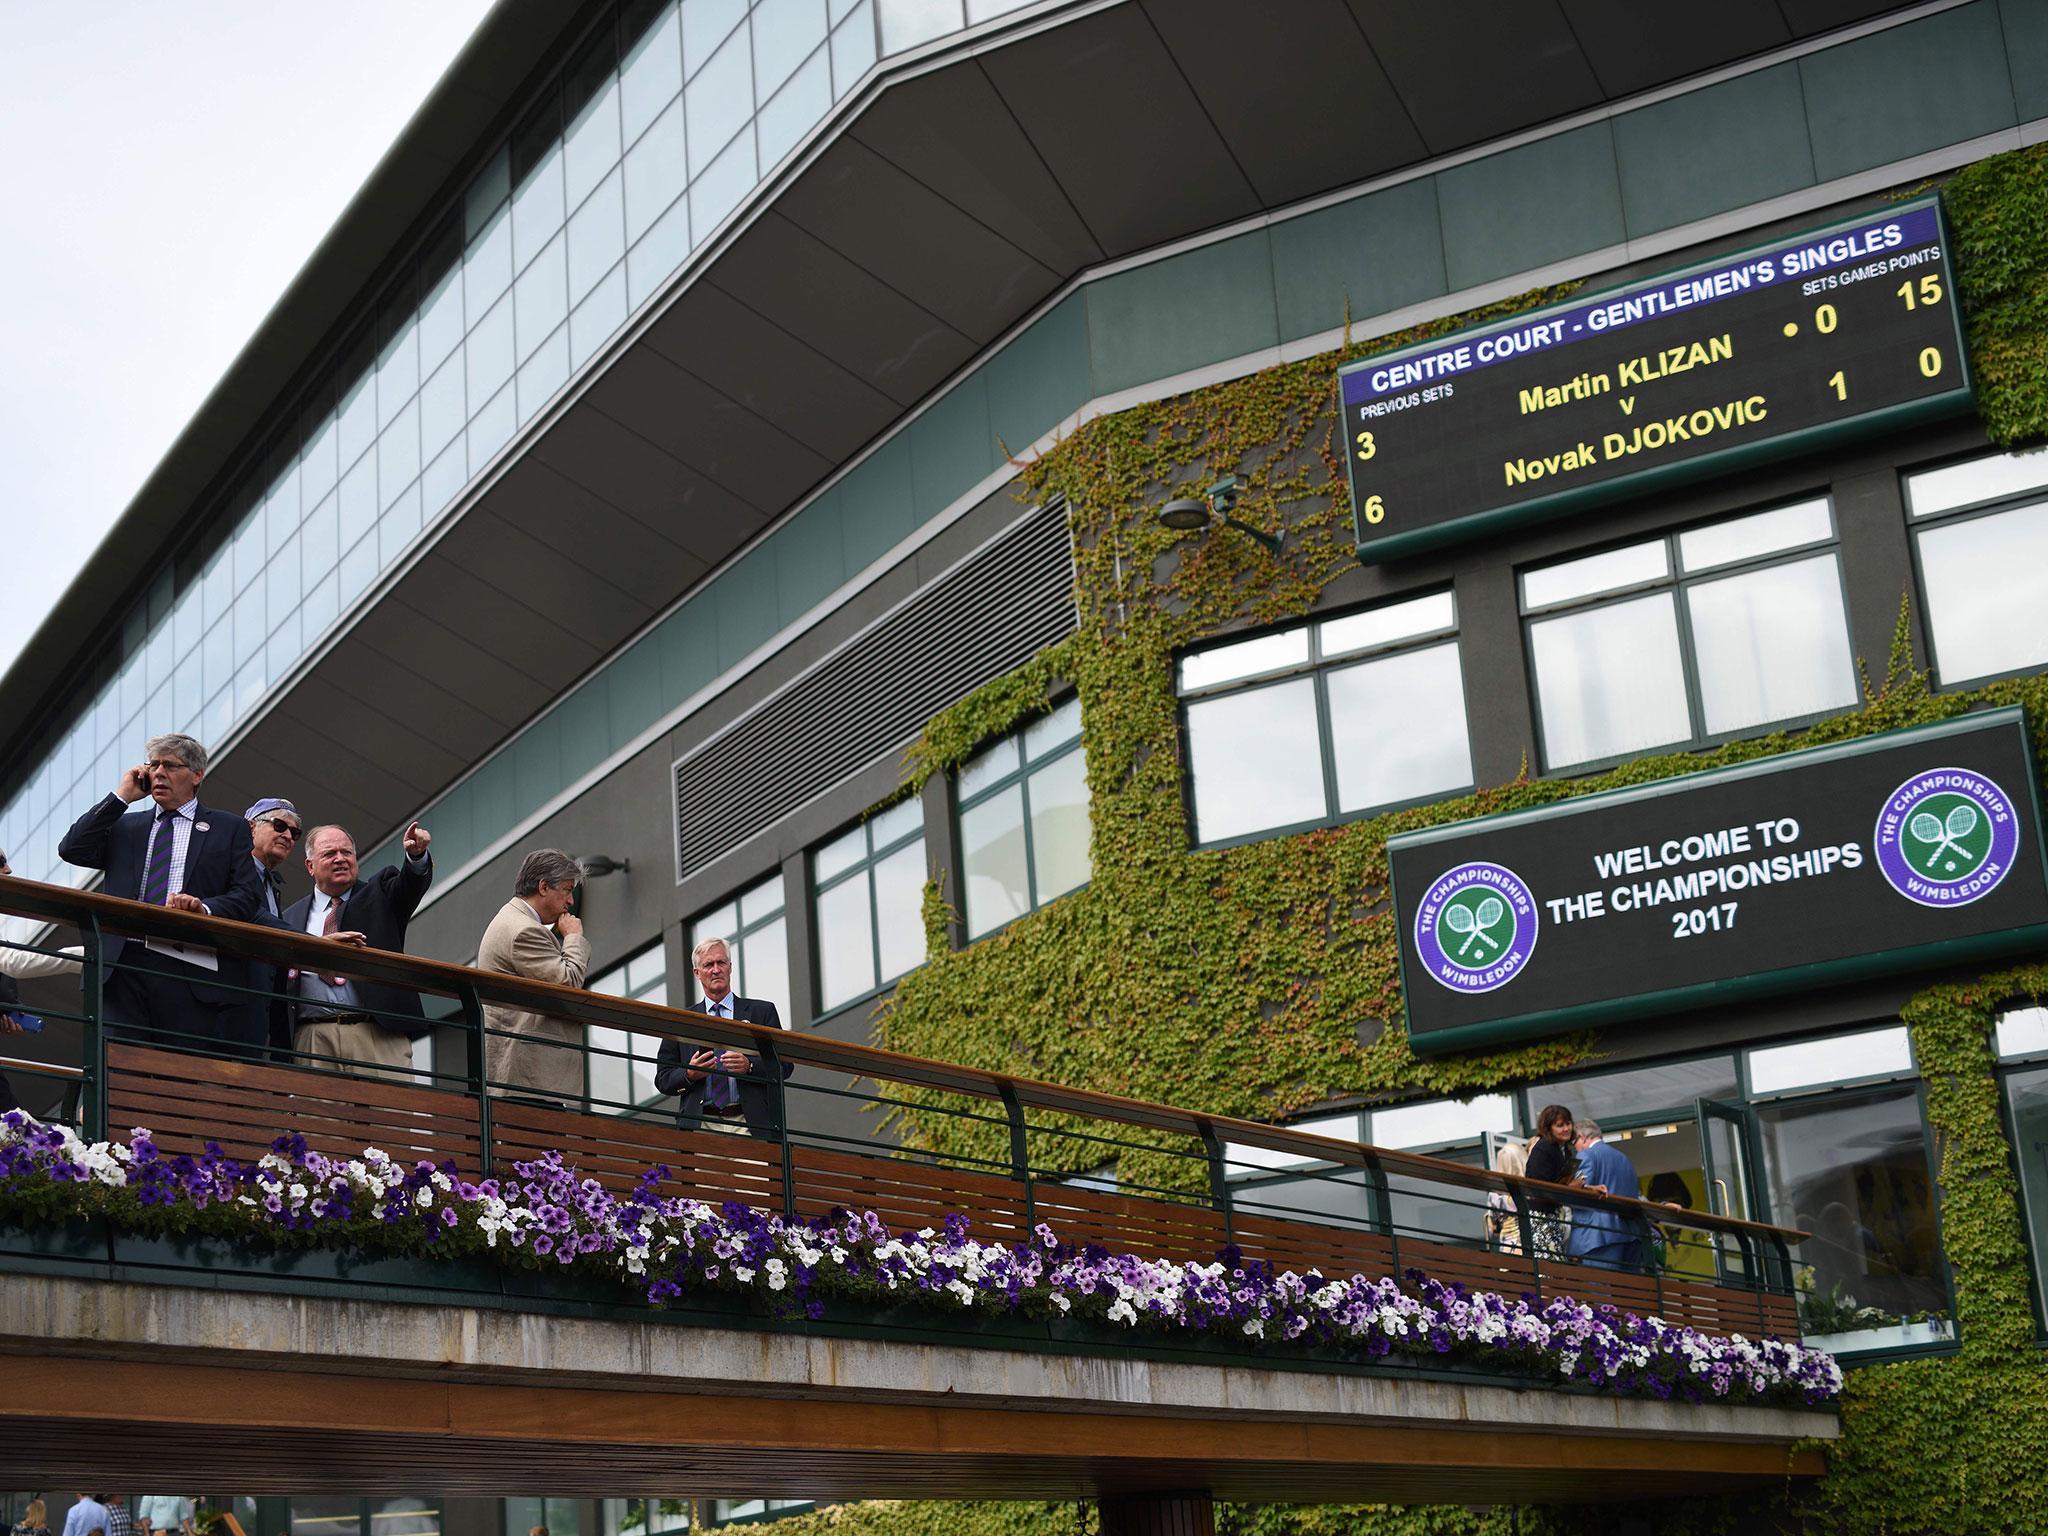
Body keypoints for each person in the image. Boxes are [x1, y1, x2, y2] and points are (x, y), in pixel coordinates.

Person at [55, 734, 265, 1048]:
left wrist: (203, 908)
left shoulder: (227, 828)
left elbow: (248, 896)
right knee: (121, 1077)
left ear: (196, 775)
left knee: (180, 1076)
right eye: (153, 765)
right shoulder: (127, 826)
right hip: (122, 967)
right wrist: (121, 797)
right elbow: (72, 849)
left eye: (170, 765)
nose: (158, 772)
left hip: (188, 969)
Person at [282, 820, 433, 1078]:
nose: (340, 859)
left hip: (376, 1034)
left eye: (347, 852)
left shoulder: (382, 893)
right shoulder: (289, 917)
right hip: (312, 1037)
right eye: (330, 854)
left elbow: (409, 885)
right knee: (320, 1119)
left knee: (388, 1117)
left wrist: (416, 856)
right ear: (310, 866)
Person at [479, 849, 593, 1103]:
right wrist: (574, 937)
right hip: (528, 1078)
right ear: (543, 887)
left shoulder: (512, 920)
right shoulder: (524, 931)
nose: (571, 901)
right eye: (566, 890)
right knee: (541, 1143)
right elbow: (569, 983)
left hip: (520, 1075)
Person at [655, 935, 793, 1139]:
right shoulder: (681, 1021)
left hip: (750, 1122)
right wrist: (690, 1074)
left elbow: (785, 1066)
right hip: (700, 1125)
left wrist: (750, 1066)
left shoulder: (761, 1012)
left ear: (730, 967)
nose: (716, 969)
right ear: (697, 973)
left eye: (721, 962)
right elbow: (663, 1079)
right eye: (708, 964)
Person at [234, 797, 306, 1055]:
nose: (288, 836)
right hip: (228, 1011)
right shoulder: (232, 870)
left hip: (257, 1019)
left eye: (294, 832)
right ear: (252, 827)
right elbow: (254, 917)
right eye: (279, 826)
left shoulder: (271, 885)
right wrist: (318, 943)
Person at [1568, 1116, 1647, 1271]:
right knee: (1626, 1292)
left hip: (1598, 1236)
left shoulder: (1586, 1155)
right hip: (1630, 1234)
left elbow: (1578, 1192)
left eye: (1573, 1142)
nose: (1574, 1147)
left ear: (1582, 1138)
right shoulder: (1624, 1158)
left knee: (1600, 1292)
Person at [1524, 1103, 1587, 1260]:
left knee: (1554, 1265)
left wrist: (1591, 1187)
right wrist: (1570, 1187)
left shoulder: (1565, 1149)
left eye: (1568, 1124)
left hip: (1554, 1214)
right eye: (1560, 1125)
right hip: (1541, 1216)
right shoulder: (1543, 1148)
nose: (1566, 1129)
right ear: (1549, 1128)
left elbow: (1561, 1182)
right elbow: (1537, 1187)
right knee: (1548, 1267)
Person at [1484, 1138, 1528, 1253]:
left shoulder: (1494, 1195)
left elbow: (1491, 1230)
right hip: (1531, 1246)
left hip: (1508, 1250)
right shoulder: (1530, 1189)